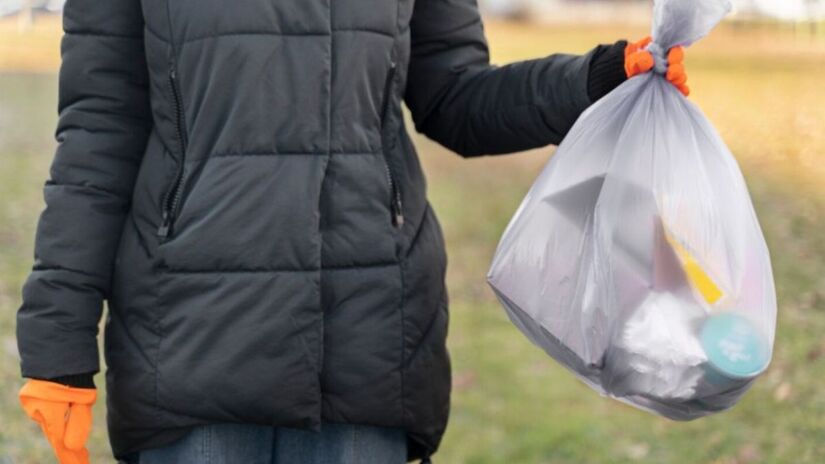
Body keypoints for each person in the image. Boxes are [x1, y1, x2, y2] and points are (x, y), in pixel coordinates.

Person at [15, 0, 687, 462]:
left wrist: (597, 79)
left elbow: (454, 97)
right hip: (188, 345)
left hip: (365, 335)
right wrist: (57, 342)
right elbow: (100, 133)